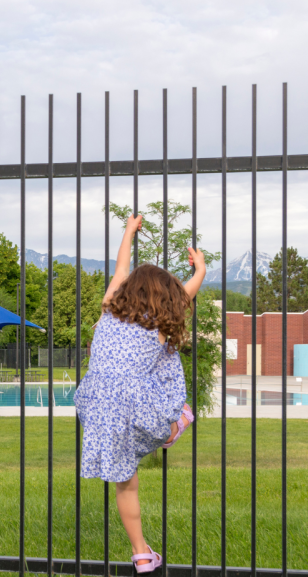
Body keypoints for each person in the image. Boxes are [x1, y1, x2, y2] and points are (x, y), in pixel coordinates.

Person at [73, 214, 201, 573]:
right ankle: (177, 424)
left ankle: (142, 555)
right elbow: (187, 295)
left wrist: (129, 231)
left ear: (129, 289)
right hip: (132, 402)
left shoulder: (110, 307)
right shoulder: (158, 322)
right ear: (164, 297)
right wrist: (199, 270)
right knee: (166, 357)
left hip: (95, 401)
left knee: (126, 484)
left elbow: (120, 267)